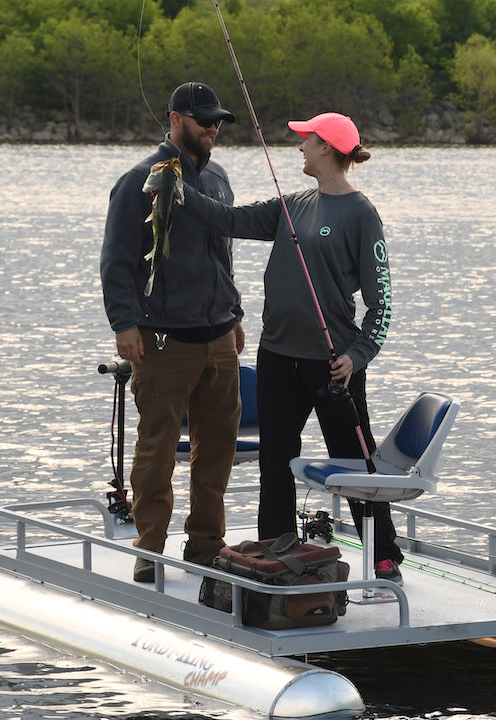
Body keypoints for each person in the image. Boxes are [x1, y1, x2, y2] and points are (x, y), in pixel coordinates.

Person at [177, 112, 404, 584]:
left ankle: (384, 556)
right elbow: (229, 219)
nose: (299, 147)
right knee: (275, 461)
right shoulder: (292, 204)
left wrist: (357, 355)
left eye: (307, 140)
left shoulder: (361, 214)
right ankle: (274, 552)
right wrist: (178, 194)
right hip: (277, 356)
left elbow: (381, 302)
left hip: (333, 365)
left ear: (328, 148)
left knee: (355, 463)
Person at [100, 82, 245, 583]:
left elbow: (224, 254)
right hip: (161, 339)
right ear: (175, 119)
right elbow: (117, 260)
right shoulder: (140, 180)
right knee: (157, 448)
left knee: (218, 445)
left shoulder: (221, 178)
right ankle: (150, 550)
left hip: (220, 335)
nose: (212, 128)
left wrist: (237, 312)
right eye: (204, 119)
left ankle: (206, 545)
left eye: (218, 120)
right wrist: (124, 324)